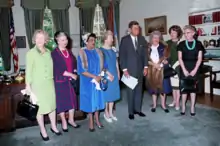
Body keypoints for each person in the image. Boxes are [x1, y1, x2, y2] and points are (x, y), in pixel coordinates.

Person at [25, 29, 61, 141]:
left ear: (45, 40)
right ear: (34, 40)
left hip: (49, 84)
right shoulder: (30, 53)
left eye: (42, 38)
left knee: (51, 107)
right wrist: (28, 86)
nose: (40, 40)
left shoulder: (49, 52)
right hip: (37, 85)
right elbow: (28, 71)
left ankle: (54, 126)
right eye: (37, 37)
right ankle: (43, 130)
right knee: (39, 109)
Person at [51, 31, 80, 133]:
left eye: (66, 39)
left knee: (72, 101)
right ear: (57, 40)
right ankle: (64, 121)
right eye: (62, 40)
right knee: (62, 103)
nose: (65, 42)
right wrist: (71, 75)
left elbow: (74, 63)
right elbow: (58, 69)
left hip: (70, 82)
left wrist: (75, 72)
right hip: (61, 82)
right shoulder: (54, 53)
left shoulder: (69, 51)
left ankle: (71, 120)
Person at [119, 21, 148, 120]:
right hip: (129, 70)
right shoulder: (125, 40)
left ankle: (138, 110)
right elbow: (122, 55)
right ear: (130, 30)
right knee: (130, 91)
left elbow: (145, 54)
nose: (137, 30)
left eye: (138, 28)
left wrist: (145, 67)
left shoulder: (142, 39)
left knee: (139, 91)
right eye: (135, 28)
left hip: (140, 70)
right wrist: (124, 69)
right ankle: (131, 112)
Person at [77, 33, 105, 131]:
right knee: (90, 102)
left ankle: (97, 120)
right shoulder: (82, 53)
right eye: (91, 40)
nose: (93, 42)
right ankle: (91, 122)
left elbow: (103, 65)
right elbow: (81, 70)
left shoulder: (98, 52)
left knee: (97, 100)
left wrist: (101, 75)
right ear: (86, 42)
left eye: (94, 40)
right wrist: (94, 77)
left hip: (98, 79)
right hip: (88, 82)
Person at [177, 25, 203, 116]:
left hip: (195, 68)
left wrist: (195, 70)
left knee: (193, 89)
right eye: (184, 33)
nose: (185, 35)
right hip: (184, 67)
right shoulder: (181, 44)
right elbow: (180, 58)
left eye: (187, 33)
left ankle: (192, 107)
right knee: (184, 89)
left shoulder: (199, 44)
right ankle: (183, 106)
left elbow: (200, 58)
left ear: (193, 33)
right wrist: (184, 70)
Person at [146, 30, 172, 113]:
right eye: (154, 37)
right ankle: (154, 105)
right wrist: (154, 65)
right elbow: (144, 60)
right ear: (151, 38)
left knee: (163, 89)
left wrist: (165, 62)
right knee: (153, 89)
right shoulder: (147, 48)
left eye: (158, 37)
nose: (156, 39)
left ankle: (163, 105)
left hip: (161, 70)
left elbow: (168, 59)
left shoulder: (164, 47)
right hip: (151, 70)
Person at [100, 30, 120, 123]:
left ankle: (111, 112)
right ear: (105, 39)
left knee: (113, 95)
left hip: (114, 73)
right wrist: (108, 74)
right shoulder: (100, 51)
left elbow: (116, 62)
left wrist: (118, 72)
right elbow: (100, 65)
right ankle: (106, 113)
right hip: (106, 74)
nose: (112, 39)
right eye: (111, 37)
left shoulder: (113, 50)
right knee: (107, 95)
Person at [166, 25, 183, 110]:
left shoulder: (181, 43)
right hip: (169, 66)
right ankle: (174, 101)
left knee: (177, 86)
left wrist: (174, 65)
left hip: (177, 67)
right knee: (173, 86)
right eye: (171, 32)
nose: (172, 34)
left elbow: (182, 57)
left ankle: (177, 103)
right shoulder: (167, 43)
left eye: (174, 32)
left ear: (178, 33)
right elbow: (165, 55)